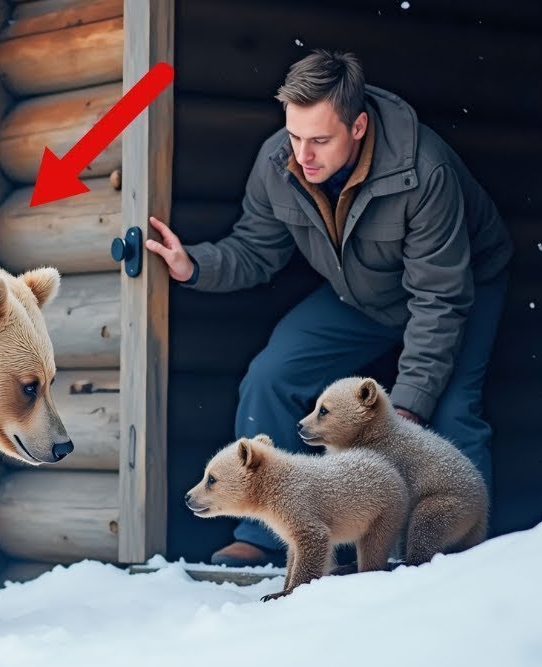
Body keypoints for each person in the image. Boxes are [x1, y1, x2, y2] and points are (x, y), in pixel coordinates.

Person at [146, 49, 512, 567]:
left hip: (458, 289)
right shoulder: (281, 161)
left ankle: (462, 559)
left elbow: (439, 299)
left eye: (319, 139)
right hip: (359, 294)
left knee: (451, 411)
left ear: (359, 126)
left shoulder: (423, 171)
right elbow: (256, 248)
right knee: (269, 376)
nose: (303, 154)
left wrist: (401, 408)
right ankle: (271, 536)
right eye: (294, 135)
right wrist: (194, 266)